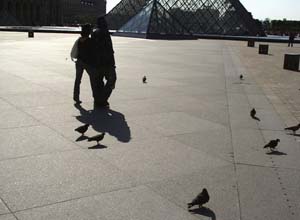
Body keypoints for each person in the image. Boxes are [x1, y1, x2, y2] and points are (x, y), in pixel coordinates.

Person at [70, 24, 100, 104]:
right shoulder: (91, 41)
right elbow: (94, 52)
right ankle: (96, 97)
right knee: (93, 80)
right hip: (88, 63)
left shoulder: (80, 40)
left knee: (78, 80)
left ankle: (76, 97)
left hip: (79, 62)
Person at [92, 16, 117, 108]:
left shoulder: (94, 33)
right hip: (107, 63)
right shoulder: (105, 33)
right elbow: (109, 50)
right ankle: (102, 99)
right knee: (112, 80)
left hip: (97, 63)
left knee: (99, 82)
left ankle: (99, 100)